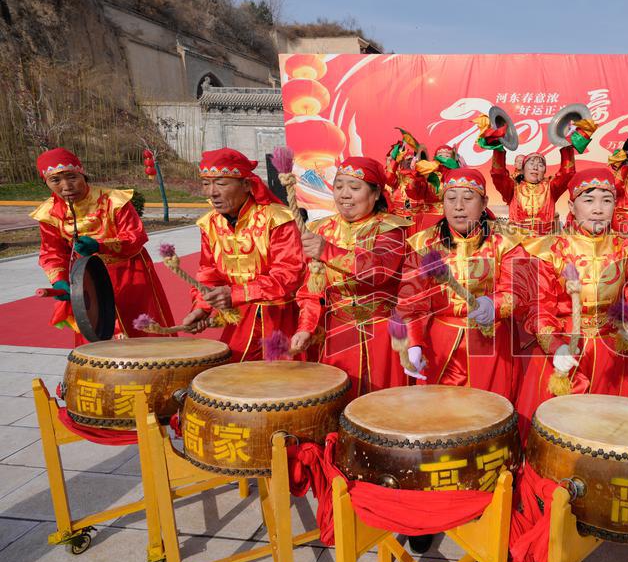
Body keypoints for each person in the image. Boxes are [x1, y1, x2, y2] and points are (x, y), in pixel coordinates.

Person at [513, 167, 628, 435]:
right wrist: (555, 346)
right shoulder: (550, 249)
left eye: (606, 200)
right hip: (563, 350)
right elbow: (540, 307)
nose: (598, 209)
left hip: (613, 350)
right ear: (572, 205)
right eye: (589, 200)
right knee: (563, 432)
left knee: (614, 431)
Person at [290, 156, 411, 398]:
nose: (344, 194)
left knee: (383, 405)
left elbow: (378, 271)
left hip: (381, 335)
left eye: (355, 188)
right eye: (338, 186)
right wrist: (306, 327)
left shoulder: (391, 229)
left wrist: (327, 251)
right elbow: (312, 289)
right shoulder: (321, 229)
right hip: (337, 331)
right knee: (339, 401)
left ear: (376, 194)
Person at [396, 168, 524, 395]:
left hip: (490, 342)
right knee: (440, 414)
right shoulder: (424, 244)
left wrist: (492, 305)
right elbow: (411, 302)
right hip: (440, 345)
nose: (459, 206)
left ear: (484, 202)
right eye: (451, 198)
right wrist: (414, 343)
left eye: (468, 198)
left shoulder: (505, 242)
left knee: (488, 413)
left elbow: (518, 290)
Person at [31, 147, 174, 343]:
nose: (66, 186)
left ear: (82, 174)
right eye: (55, 180)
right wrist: (59, 280)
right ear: (46, 182)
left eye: (72, 177)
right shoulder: (49, 213)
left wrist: (100, 246)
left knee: (140, 329)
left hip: (129, 273)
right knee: (96, 330)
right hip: (86, 278)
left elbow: (136, 237)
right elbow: (52, 252)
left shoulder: (113, 200)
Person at [181, 148, 304, 361]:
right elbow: (208, 273)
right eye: (206, 183)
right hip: (239, 318)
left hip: (280, 317)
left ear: (246, 185)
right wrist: (202, 307)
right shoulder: (210, 223)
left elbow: (288, 276)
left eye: (220, 183)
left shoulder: (277, 219)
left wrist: (236, 294)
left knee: (287, 383)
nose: (212, 192)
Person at [481, 118, 589, 235]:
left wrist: (567, 146)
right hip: (517, 240)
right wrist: (498, 149)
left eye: (540, 165)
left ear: (544, 171)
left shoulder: (551, 188)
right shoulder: (513, 188)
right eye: (531, 164)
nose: (535, 167)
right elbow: (498, 175)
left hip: (546, 240)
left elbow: (567, 173)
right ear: (523, 169)